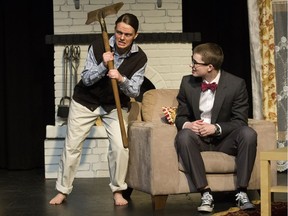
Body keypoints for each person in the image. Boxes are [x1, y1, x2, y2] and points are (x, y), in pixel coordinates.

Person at [49, 13, 147, 206]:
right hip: (85, 101)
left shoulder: (140, 57)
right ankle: (62, 191)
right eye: (119, 32)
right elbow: (86, 79)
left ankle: (118, 191)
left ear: (135, 35)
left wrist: (121, 79)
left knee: (120, 147)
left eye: (127, 34)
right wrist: (103, 65)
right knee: (72, 146)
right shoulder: (97, 45)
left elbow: (135, 90)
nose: (122, 37)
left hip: (113, 105)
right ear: (114, 30)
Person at [174, 43, 257, 213]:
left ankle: (241, 191)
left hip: (224, 139)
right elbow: (180, 116)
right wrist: (188, 125)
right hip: (199, 139)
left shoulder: (236, 84)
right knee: (183, 136)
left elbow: (240, 121)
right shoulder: (187, 82)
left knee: (248, 134)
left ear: (210, 67)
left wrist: (216, 128)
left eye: (195, 62)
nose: (192, 65)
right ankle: (205, 193)